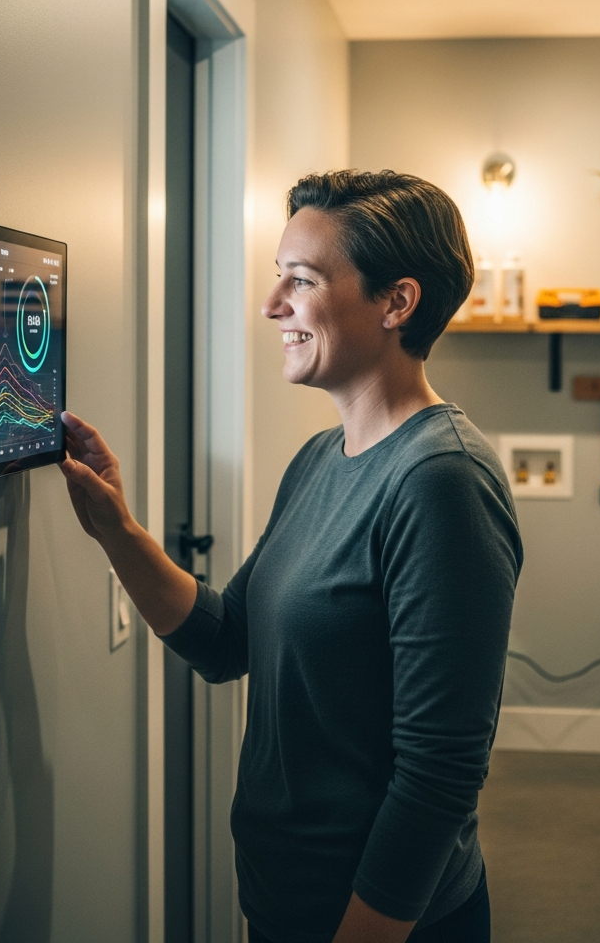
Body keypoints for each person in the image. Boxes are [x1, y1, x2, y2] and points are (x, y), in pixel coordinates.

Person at [60, 170, 523, 943]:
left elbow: (439, 778)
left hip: (382, 921)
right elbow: (228, 638)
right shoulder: (319, 458)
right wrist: (118, 529)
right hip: (286, 899)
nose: (272, 305)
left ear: (396, 303)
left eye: (300, 280)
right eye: (278, 277)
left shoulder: (443, 483)